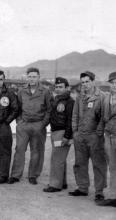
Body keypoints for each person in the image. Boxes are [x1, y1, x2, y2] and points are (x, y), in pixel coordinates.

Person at [8, 67, 52, 185]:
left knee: (36, 150)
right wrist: (19, 121)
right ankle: (16, 175)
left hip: (38, 125)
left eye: (34, 77)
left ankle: (33, 175)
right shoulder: (22, 91)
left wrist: (43, 124)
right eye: (30, 77)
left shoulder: (45, 91)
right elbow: (18, 107)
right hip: (24, 124)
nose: (32, 79)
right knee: (19, 149)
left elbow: (49, 110)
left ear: (38, 77)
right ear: (27, 77)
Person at [69, 71, 107, 202]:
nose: (85, 84)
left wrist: (99, 132)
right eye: (83, 82)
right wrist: (75, 132)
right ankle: (82, 188)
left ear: (93, 81)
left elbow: (104, 117)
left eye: (87, 81)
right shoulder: (80, 97)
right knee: (80, 163)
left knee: (98, 164)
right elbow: (74, 115)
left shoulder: (102, 97)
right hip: (80, 136)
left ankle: (99, 191)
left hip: (95, 136)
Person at [43, 77, 74, 193]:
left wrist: (67, 136)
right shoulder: (57, 99)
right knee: (61, 159)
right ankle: (62, 182)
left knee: (57, 159)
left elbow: (70, 120)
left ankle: (55, 185)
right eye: (56, 87)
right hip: (55, 132)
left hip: (62, 133)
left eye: (61, 87)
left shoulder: (70, 102)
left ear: (67, 88)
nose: (58, 89)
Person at [97, 72, 116, 207]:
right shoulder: (106, 98)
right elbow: (103, 117)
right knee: (113, 167)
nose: (115, 85)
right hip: (109, 135)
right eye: (113, 82)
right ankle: (114, 196)